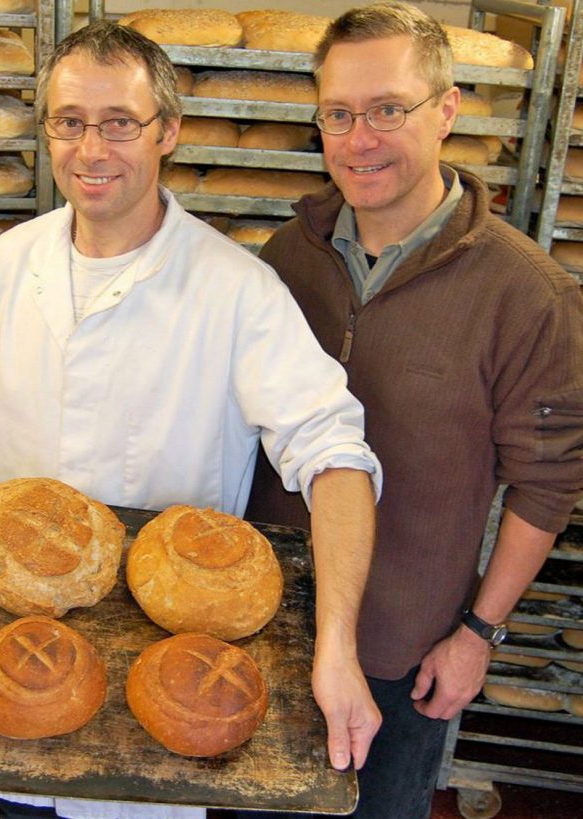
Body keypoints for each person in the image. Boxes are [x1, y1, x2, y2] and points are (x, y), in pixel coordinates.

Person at [0, 22, 384, 819]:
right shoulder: (9, 261)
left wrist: (337, 645)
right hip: (15, 672)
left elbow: (336, 457)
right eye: (69, 122)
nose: (90, 148)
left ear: (167, 131)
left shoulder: (236, 290)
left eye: (118, 123)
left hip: (155, 691)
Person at [243, 4, 583, 819]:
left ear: (447, 110)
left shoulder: (528, 294)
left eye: (388, 109)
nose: (360, 139)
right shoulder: (290, 257)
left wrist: (477, 635)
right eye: (339, 114)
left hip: (404, 645)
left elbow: (545, 486)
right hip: (270, 616)